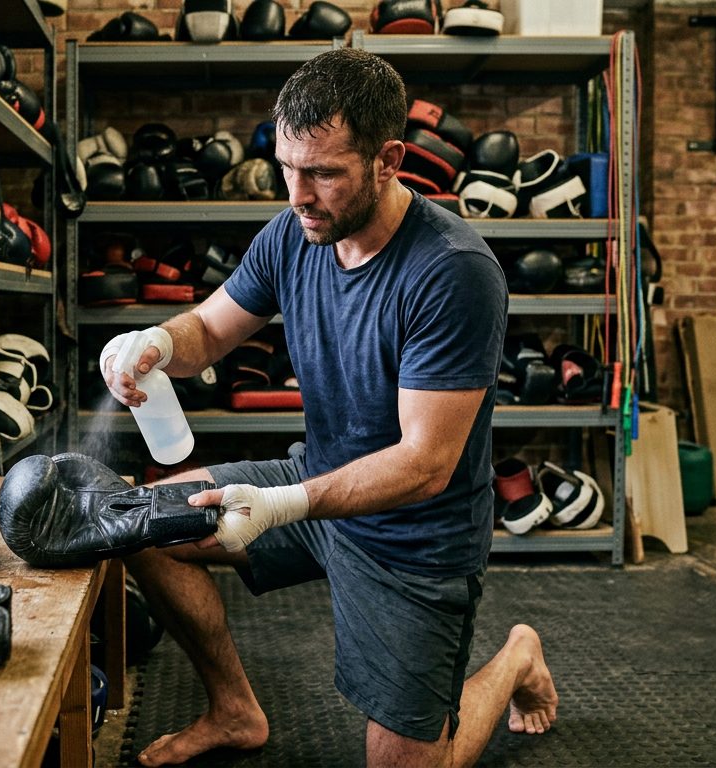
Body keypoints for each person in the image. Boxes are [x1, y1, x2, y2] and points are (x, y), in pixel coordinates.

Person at [101, 48, 558, 768]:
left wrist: (282, 504)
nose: (298, 194)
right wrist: (155, 342)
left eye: (323, 173)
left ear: (388, 160)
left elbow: (426, 465)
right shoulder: (295, 232)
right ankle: (233, 711)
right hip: (316, 482)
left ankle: (515, 660)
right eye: (288, 166)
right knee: (138, 523)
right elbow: (212, 332)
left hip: (414, 538)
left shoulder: (452, 272)